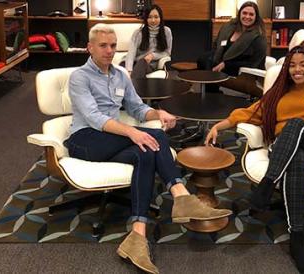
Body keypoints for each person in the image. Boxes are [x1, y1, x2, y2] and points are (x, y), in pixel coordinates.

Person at [67, 23, 231, 274]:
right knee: (151, 136)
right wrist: (133, 131)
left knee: (146, 150)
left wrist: (158, 112)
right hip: (85, 140)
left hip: (112, 138)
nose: (109, 51)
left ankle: (137, 235)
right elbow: (94, 118)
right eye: (103, 45)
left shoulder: (121, 75)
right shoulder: (79, 77)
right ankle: (181, 196)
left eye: (112, 45)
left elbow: (136, 108)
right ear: (90, 47)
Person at [205, 46, 304, 274]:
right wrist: (219, 126)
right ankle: (297, 238)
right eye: (292, 65)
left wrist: (303, 131)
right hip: (285, 150)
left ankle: (267, 185)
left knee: (296, 125)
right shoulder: (280, 93)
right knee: (297, 159)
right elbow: (250, 112)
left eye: (303, 64)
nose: (297, 69)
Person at [198, 1, 267, 95]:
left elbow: (252, 63)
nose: (247, 17)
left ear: (256, 17)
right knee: (203, 59)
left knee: (209, 65)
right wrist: (216, 56)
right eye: (244, 13)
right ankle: (212, 92)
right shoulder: (230, 27)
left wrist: (226, 64)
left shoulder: (258, 37)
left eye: (251, 14)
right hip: (223, 60)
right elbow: (217, 44)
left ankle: (211, 94)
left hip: (240, 68)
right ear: (239, 14)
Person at [125, 4, 172, 79]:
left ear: (161, 18)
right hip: (135, 63)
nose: (153, 20)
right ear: (146, 19)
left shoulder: (166, 31)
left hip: (150, 66)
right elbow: (131, 53)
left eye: (156, 17)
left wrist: (153, 55)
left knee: (142, 62)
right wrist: (129, 70)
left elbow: (167, 53)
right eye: (150, 17)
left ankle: (131, 88)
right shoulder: (138, 33)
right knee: (121, 66)